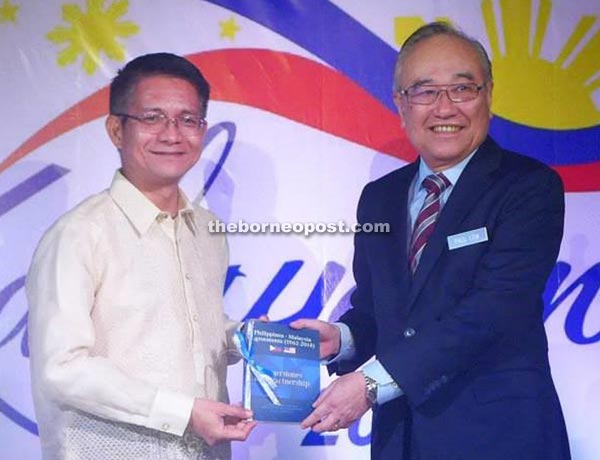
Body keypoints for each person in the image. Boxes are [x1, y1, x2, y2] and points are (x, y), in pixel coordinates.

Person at [293, 22, 572, 460]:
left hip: (500, 438)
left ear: (489, 96)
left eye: (463, 90)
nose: (445, 108)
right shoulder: (380, 198)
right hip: (399, 440)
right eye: (424, 92)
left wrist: (369, 385)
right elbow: (379, 312)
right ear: (400, 105)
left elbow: (492, 311)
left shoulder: (529, 188)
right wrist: (343, 338)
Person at [26, 53, 256, 460]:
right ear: (116, 129)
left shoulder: (206, 230)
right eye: (152, 118)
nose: (172, 134)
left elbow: (190, 329)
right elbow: (62, 368)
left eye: (188, 119)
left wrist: (247, 339)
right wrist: (182, 413)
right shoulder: (78, 235)